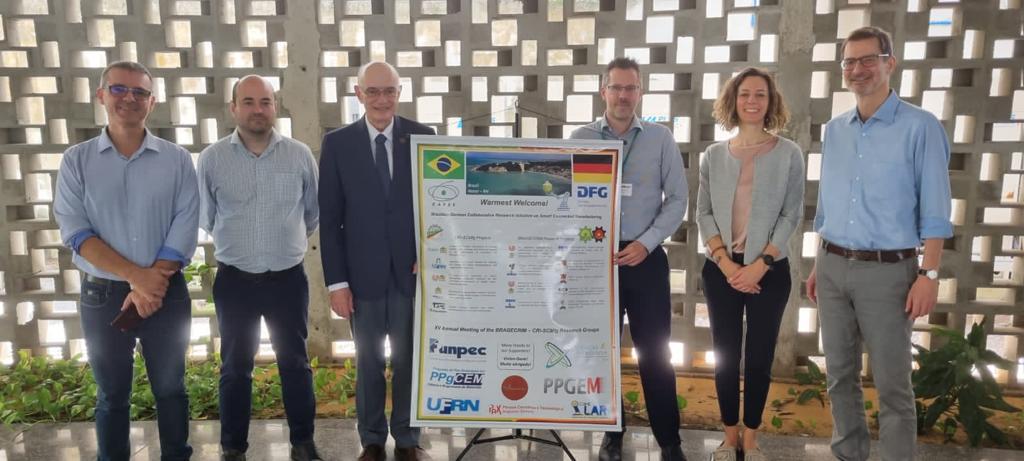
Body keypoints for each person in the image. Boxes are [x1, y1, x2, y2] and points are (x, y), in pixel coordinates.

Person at [806, 26, 953, 461]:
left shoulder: (921, 127)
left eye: (868, 59)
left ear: (890, 63)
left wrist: (928, 274)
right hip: (832, 266)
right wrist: (817, 265)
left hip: (889, 272)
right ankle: (848, 454)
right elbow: (829, 205)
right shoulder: (836, 129)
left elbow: (936, 209)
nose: (858, 69)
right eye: (849, 61)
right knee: (839, 376)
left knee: (892, 385)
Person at [54, 61, 198, 461]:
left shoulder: (177, 160)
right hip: (103, 296)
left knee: (171, 388)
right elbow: (76, 233)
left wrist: (152, 283)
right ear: (101, 95)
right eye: (119, 89)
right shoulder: (76, 161)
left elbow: (186, 223)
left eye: (140, 92)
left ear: (152, 102)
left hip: (167, 293)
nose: (129, 98)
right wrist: (138, 278)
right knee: (112, 393)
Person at [197, 75, 321, 461]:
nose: (257, 110)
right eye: (248, 102)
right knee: (235, 367)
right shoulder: (212, 159)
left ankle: (303, 443)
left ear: (275, 107)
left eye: (265, 102)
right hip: (235, 281)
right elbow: (207, 216)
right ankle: (233, 448)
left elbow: (311, 213)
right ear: (233, 108)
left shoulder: (299, 155)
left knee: (295, 363)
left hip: (287, 279)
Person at [570, 57, 688, 461]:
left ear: (640, 92)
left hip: (645, 259)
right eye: (616, 87)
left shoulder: (659, 138)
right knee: (601, 353)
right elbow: (566, 198)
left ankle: (669, 441)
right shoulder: (581, 138)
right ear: (603, 91)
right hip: (595, 263)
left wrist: (647, 242)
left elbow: (678, 200)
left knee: (655, 353)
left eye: (631, 88)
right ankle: (612, 433)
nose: (623, 95)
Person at [318, 61, 435, 461]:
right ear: (359, 94)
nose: (382, 100)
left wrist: (430, 255)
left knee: (408, 360)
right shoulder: (338, 144)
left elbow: (437, 206)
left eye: (389, 91)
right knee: (368, 361)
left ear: (399, 93)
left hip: (410, 275)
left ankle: (407, 437)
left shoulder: (423, 138)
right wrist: (337, 283)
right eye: (373, 91)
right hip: (360, 278)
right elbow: (330, 219)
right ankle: (370, 438)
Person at [696, 67, 804, 461]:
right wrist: (726, 264)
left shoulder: (789, 153)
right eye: (744, 94)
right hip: (720, 270)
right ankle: (729, 438)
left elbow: (792, 214)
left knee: (759, 358)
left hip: (769, 272)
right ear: (733, 100)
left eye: (760, 94)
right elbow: (703, 213)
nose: (752, 101)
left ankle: (752, 439)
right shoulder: (713, 155)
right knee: (724, 357)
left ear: (770, 101)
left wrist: (761, 264)